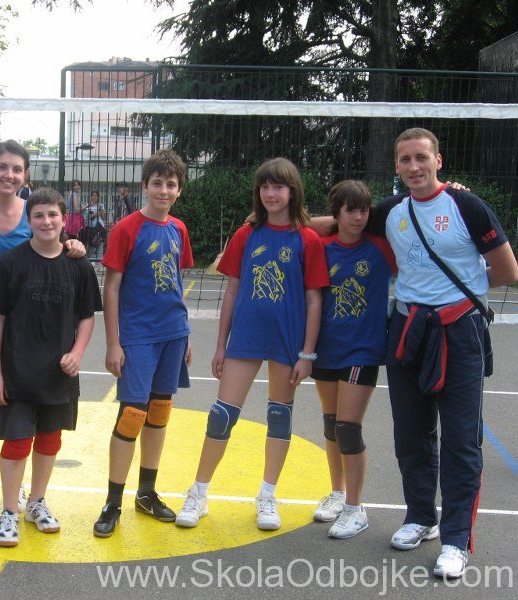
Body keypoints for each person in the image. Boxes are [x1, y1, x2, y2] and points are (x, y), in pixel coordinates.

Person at [371, 128, 516, 577]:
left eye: (421, 157)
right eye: (405, 159)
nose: (413, 166)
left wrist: (462, 293)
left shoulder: (466, 205)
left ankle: (456, 540)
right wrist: (275, 214)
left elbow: (507, 269)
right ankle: (420, 517)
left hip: (459, 332)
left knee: (461, 439)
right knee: (410, 433)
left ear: (438, 160)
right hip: (407, 329)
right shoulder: (391, 211)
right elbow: (341, 219)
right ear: (396, 166)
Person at [174, 157, 328, 532]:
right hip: (246, 337)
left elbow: (314, 300)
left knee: (279, 416)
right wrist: (221, 346)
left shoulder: (307, 239)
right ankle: (198, 492)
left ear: (293, 191)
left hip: (288, 341)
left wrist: (307, 353)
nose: (271, 193)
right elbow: (232, 291)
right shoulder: (247, 234)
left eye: (278, 186)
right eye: (265, 187)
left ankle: (267, 496)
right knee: (221, 414)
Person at [0, 140, 86, 517]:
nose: (9, 175)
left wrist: (73, 244)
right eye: (2, 167)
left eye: (17, 169)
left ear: (26, 175)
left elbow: (52, 244)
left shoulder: (33, 210)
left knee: (14, 408)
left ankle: (21, 489)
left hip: (21, 324)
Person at [0, 188, 102, 547]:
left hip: (58, 376)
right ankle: (9, 511)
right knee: (17, 442)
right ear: (28, 220)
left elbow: (86, 317)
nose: (46, 221)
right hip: (17, 374)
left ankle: (36, 502)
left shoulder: (78, 265)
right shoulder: (10, 263)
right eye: (39, 215)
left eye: (53, 215)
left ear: (64, 219)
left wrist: (77, 352)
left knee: (50, 440)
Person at [92, 148, 193, 538]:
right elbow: (111, 288)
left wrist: (185, 333)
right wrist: (112, 344)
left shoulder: (178, 229)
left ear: (179, 190)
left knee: (160, 411)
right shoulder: (126, 229)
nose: (164, 190)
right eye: (157, 183)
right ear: (144, 186)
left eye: (171, 184)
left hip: (173, 333)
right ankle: (112, 502)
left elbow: (177, 284)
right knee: (132, 414)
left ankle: (146, 493)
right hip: (137, 336)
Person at [310, 180, 396, 539]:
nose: (358, 217)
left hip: (363, 350)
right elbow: (300, 223)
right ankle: (338, 492)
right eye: (350, 210)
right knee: (331, 424)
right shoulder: (322, 247)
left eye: (363, 210)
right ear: (337, 213)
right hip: (326, 347)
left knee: (348, 429)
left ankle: (356, 508)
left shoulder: (381, 247)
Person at [83, 190, 107, 258]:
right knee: (90, 247)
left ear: (98, 197)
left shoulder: (101, 205)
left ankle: (99, 261)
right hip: (90, 228)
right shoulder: (87, 206)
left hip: (99, 228)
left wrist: (100, 210)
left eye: (96, 196)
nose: (94, 197)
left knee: (99, 246)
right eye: (93, 196)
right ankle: (91, 261)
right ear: (90, 196)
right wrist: (94, 214)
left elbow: (104, 218)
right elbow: (85, 218)